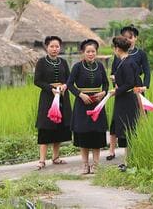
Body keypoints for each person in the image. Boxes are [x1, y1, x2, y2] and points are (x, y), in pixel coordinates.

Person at [107, 25, 151, 160]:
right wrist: (116, 84)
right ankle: (118, 152)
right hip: (124, 92)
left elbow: (135, 79)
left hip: (131, 92)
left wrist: (144, 86)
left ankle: (131, 155)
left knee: (133, 122)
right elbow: (116, 73)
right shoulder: (122, 59)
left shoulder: (133, 58)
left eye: (130, 37)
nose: (128, 40)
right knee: (121, 122)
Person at [66, 38, 109, 174]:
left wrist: (103, 93)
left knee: (97, 134)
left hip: (97, 103)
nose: (91, 54)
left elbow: (106, 84)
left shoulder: (100, 66)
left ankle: (96, 164)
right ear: (83, 53)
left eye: (93, 51)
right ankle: (85, 165)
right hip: (82, 104)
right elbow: (69, 84)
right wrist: (80, 95)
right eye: (88, 51)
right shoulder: (77, 67)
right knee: (83, 135)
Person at [33, 35, 73, 170]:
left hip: (62, 96)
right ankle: (42, 160)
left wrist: (64, 86)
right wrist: (51, 89)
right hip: (48, 98)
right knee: (45, 127)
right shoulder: (41, 62)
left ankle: (56, 157)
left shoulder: (63, 62)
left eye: (57, 46)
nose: (55, 49)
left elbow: (69, 79)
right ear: (46, 47)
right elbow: (37, 81)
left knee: (59, 127)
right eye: (52, 46)